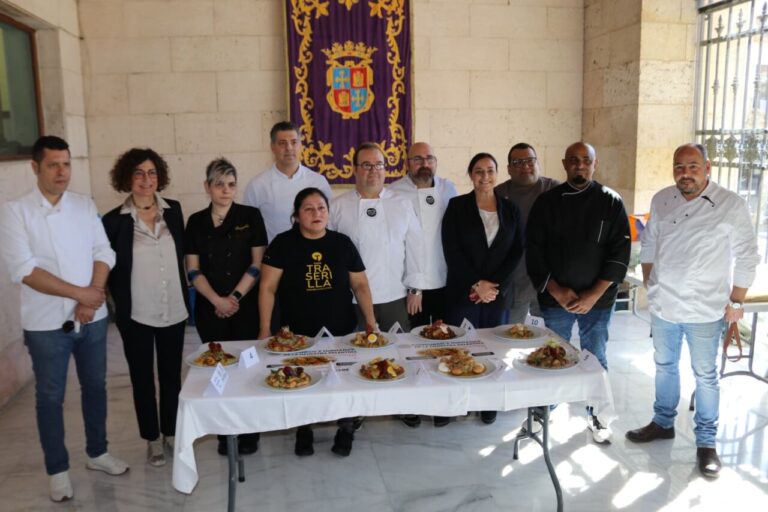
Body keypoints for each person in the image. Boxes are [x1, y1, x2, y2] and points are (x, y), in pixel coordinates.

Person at [0, 136, 128, 502]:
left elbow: (104, 251)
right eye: (53, 164)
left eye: (66, 164)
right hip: (45, 324)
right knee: (50, 396)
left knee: (96, 386)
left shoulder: (83, 205)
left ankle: (98, 452)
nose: (61, 172)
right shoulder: (15, 210)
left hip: (92, 317)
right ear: (35, 167)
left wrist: (93, 294)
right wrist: (80, 294)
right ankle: (57, 470)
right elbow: (24, 270)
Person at [626, 143, 759, 478]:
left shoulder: (731, 204)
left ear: (708, 167)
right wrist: (650, 282)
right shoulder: (662, 199)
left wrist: (738, 301)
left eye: (692, 166)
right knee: (664, 366)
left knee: (706, 376)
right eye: (679, 166)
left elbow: (746, 255)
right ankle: (662, 422)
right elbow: (651, 241)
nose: (685, 173)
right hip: (664, 305)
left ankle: (706, 442)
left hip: (706, 308)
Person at [526, 142, 631, 444]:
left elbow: (620, 254)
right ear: (564, 164)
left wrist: (593, 295)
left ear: (595, 165)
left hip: (597, 301)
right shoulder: (546, 203)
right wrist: (558, 292)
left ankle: (597, 415)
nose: (580, 166)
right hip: (555, 298)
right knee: (551, 356)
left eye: (586, 160)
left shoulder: (611, 202)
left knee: (594, 357)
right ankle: (546, 409)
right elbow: (534, 252)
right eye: (574, 160)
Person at [259, 187, 376, 457]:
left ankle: (345, 428)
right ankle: (304, 430)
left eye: (321, 208)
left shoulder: (342, 243)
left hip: (341, 328)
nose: (316, 214)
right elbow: (267, 288)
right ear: (296, 216)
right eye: (308, 209)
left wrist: (370, 321)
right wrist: (265, 327)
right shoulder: (282, 244)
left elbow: (360, 284)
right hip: (298, 333)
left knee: (344, 381)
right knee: (301, 382)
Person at [102, 148, 189, 468]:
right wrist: (114, 302)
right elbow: (107, 267)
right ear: (127, 178)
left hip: (174, 308)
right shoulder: (113, 221)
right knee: (141, 377)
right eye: (138, 173)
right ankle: (151, 438)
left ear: (160, 177)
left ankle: (170, 431)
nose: (146, 180)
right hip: (136, 312)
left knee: (171, 376)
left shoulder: (175, 211)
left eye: (151, 173)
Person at [185, 157, 268, 457]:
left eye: (231, 184)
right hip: (210, 307)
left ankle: (249, 430)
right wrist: (217, 300)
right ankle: (224, 430)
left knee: (247, 368)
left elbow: (257, 263)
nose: (225, 190)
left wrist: (233, 298)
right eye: (219, 184)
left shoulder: (251, 216)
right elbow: (193, 270)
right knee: (217, 370)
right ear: (207, 187)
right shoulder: (195, 221)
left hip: (244, 306)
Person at [441, 153, 524, 425]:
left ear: (497, 174)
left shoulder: (511, 209)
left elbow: (516, 251)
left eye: (490, 170)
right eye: (479, 171)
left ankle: (488, 402)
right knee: (460, 347)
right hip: (464, 290)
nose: (485, 176)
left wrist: (491, 286)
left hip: (497, 294)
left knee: (492, 349)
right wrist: (476, 283)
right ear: (470, 175)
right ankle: (454, 404)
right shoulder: (456, 206)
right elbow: (451, 249)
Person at [389, 142, 458, 428]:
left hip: (445, 280)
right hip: (411, 284)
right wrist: (414, 286)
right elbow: (403, 243)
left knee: (444, 343)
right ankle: (412, 403)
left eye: (429, 158)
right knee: (414, 345)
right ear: (407, 163)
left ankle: (443, 403)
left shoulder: (449, 188)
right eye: (418, 159)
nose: (424, 163)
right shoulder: (394, 191)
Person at [329, 142, 425, 331]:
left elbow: (416, 248)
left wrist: (415, 289)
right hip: (352, 298)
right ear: (354, 170)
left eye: (379, 165)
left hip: (394, 296)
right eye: (366, 165)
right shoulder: (336, 206)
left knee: (398, 353)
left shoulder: (402, 204)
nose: (373, 170)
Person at [495, 142, 560, 324]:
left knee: (551, 339)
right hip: (515, 280)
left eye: (530, 161)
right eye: (517, 162)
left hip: (550, 281)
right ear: (508, 168)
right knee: (511, 336)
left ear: (537, 163)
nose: (525, 166)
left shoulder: (554, 189)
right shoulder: (499, 194)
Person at [243, 121, 332, 243]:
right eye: (282, 143)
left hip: (314, 255)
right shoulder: (257, 185)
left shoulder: (318, 182)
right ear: (272, 147)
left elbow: (329, 222)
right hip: (274, 257)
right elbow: (249, 229)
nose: (289, 148)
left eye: (294, 142)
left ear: (301, 145)